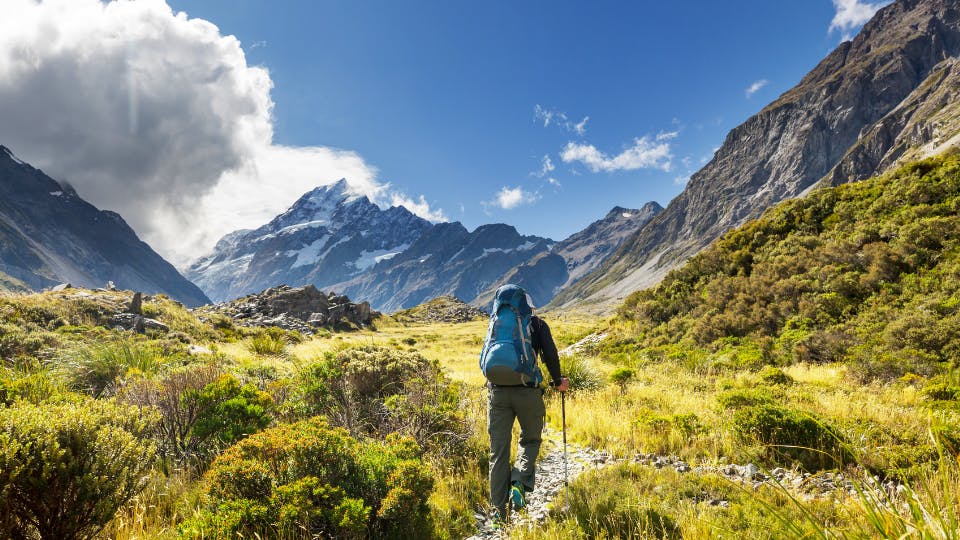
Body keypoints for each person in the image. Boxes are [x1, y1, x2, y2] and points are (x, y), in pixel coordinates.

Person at [485, 289, 569, 522]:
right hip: (527, 391)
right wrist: (557, 381)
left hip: (497, 393)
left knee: (498, 453)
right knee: (531, 439)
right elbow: (550, 355)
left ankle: (497, 515)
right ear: (529, 307)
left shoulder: (496, 324)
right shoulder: (538, 325)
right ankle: (519, 482)